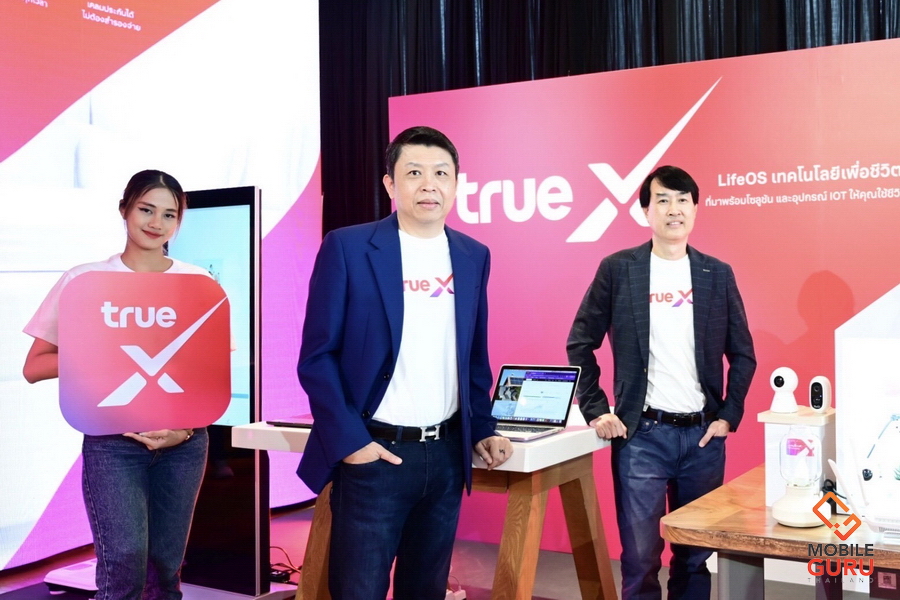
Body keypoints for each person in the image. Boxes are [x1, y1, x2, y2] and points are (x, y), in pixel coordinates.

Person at [296, 125, 513, 600]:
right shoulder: (348, 247)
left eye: (441, 173)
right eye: (414, 173)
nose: (428, 185)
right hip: (375, 454)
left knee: (426, 590)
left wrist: (483, 428)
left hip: (447, 456)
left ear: (457, 183)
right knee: (358, 591)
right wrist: (353, 443)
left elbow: (473, 357)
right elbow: (317, 357)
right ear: (390, 183)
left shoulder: (473, 255)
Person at [566, 165, 756, 600]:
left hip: (703, 439)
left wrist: (728, 416)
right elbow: (580, 343)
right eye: (663, 200)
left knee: (695, 557)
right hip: (642, 438)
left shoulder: (716, 274)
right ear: (646, 211)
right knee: (640, 558)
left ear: (695, 208)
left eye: (683, 200)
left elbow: (743, 353)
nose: (674, 209)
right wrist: (595, 409)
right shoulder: (619, 269)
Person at [23, 170, 211, 600]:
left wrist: (183, 431)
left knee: (166, 572)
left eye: (169, 214)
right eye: (146, 209)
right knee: (123, 566)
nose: (156, 223)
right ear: (124, 209)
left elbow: (209, 369)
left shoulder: (198, 282)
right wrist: (104, 351)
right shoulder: (85, 280)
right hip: (113, 444)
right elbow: (35, 366)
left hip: (184, 443)